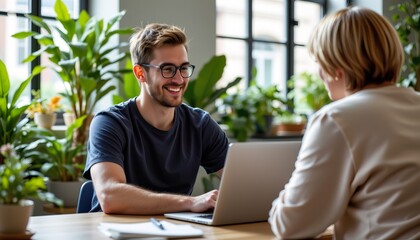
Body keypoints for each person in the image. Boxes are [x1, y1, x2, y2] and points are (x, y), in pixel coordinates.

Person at [269, 6, 420, 239]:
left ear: (336, 67)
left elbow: (289, 226)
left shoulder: (336, 119)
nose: (319, 73)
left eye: (319, 61)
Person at [83, 23, 229, 214]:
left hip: (177, 232)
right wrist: (190, 202)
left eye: (183, 68)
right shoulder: (110, 123)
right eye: (167, 69)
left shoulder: (200, 124)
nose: (178, 79)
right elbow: (110, 196)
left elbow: (243, 183)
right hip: (114, 233)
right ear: (140, 73)